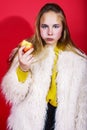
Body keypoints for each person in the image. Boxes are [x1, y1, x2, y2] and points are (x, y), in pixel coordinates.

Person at [1, 3, 87, 130]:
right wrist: (23, 68)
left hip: (63, 119)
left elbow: (82, 103)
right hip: (30, 120)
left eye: (56, 26)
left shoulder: (78, 60)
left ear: (63, 28)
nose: (50, 32)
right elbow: (14, 94)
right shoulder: (28, 52)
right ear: (38, 28)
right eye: (45, 26)